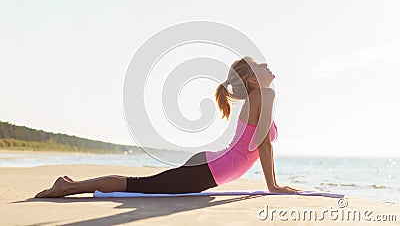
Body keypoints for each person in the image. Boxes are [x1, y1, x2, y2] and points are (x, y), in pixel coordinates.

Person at [34, 56, 300, 198]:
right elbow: (262, 143)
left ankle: (70, 184)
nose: (267, 65)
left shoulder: (260, 97)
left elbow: (257, 143)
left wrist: (273, 184)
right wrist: (273, 186)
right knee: (136, 186)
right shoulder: (264, 95)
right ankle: (68, 187)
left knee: (141, 185)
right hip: (207, 169)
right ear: (252, 81)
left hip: (209, 166)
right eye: (260, 64)